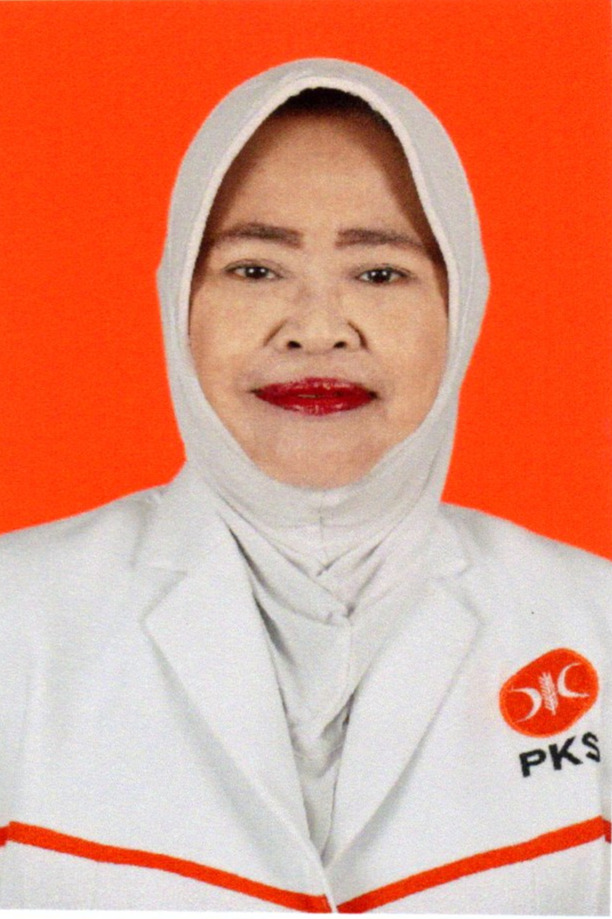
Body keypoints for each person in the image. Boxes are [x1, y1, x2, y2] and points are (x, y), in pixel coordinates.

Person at [0, 58, 609, 912]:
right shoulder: (18, 619)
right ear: (180, 302)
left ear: (460, 306)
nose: (317, 329)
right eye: (255, 269)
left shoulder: (593, 621)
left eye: (380, 272)